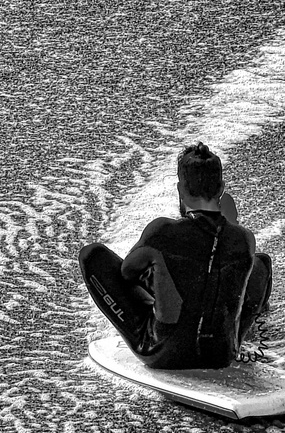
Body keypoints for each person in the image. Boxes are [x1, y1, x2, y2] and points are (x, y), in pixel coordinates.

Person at [79, 142, 272, 369]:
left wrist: (160, 281)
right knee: (261, 263)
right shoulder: (244, 239)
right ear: (221, 188)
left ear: (181, 189)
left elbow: (127, 273)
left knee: (91, 255)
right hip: (221, 354)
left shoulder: (161, 231)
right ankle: (237, 337)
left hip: (164, 354)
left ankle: (161, 330)